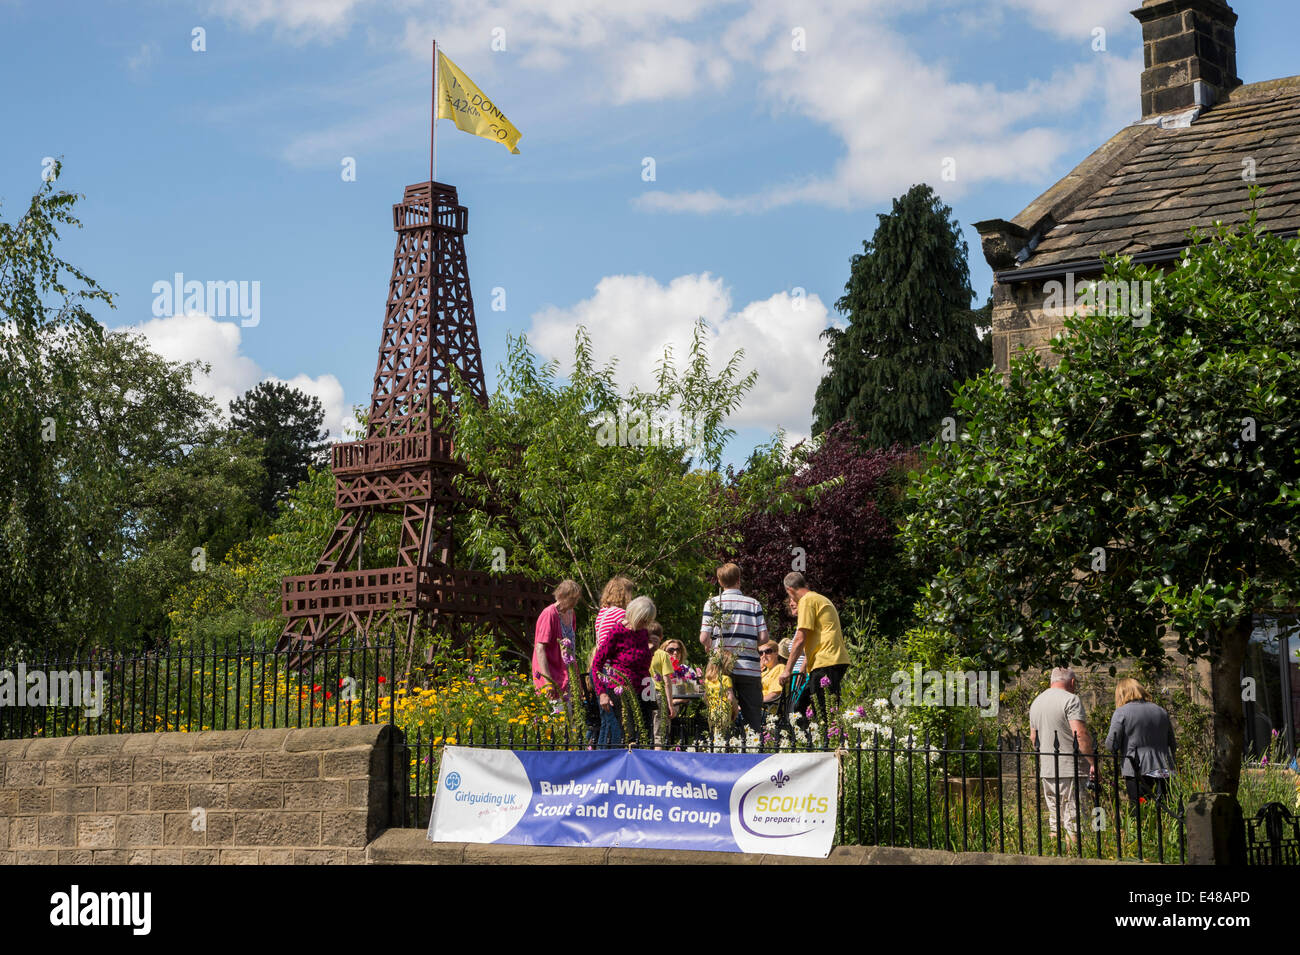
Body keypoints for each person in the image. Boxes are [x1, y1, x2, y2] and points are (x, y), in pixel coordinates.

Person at [1029, 666, 1097, 848]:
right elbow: (1080, 734)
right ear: (1072, 682)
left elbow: (1033, 739)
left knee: (1055, 821)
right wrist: (1093, 762)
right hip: (1071, 769)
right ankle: (1072, 858)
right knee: (1073, 823)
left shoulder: (1037, 701)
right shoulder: (1071, 700)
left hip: (1048, 770)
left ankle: (1053, 857)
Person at [700, 563, 769, 733]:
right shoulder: (753, 604)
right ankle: (755, 751)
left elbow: (703, 637)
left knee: (720, 714)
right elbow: (764, 638)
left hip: (721, 666)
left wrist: (710, 647)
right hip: (749, 668)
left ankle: (722, 748)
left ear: (719, 581)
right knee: (753, 716)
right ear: (739, 579)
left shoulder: (712, 603)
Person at [779, 573, 849, 720]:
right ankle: (808, 740)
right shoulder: (817, 598)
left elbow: (800, 638)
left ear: (790, 590)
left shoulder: (807, 600)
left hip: (827, 661)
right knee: (801, 709)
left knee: (824, 714)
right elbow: (814, 635)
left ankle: (827, 741)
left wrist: (787, 671)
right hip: (829, 660)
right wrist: (805, 667)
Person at [591, 595, 656, 746]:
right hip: (623, 690)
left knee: (646, 735)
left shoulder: (643, 633)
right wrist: (602, 693)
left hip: (645, 687)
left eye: (648, 620)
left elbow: (641, 661)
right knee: (630, 736)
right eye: (643, 619)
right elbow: (596, 665)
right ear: (634, 614)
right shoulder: (617, 632)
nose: (646, 623)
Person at [1105, 678, 1176, 807]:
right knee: (1165, 810)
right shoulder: (1160, 711)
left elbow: (1111, 745)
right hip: (1163, 767)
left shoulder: (1121, 712)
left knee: (1140, 813)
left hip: (1136, 769)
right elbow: (1172, 743)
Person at [532, 579, 581, 700]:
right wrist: (548, 681)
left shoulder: (571, 613)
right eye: (572, 599)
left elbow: (571, 647)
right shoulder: (549, 614)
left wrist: (576, 677)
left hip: (566, 675)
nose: (574, 603)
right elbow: (539, 648)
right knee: (556, 714)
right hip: (550, 675)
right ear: (561, 596)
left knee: (570, 716)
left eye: (576, 599)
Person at [595, 576, 635, 650]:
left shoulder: (602, 613)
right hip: (615, 657)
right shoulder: (621, 614)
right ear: (625, 595)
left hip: (603, 657)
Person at [704, 651, 738, 737]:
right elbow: (730, 698)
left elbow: (705, 697)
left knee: (714, 736)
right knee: (722, 737)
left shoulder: (707, 680)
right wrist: (735, 710)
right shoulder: (726, 679)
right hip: (724, 711)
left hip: (711, 711)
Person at [760, 641, 784, 705]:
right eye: (761, 653)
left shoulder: (780, 668)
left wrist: (752, 704)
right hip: (758, 707)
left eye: (768, 651)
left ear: (776, 653)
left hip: (766, 709)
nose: (764, 655)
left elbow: (774, 695)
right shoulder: (764, 672)